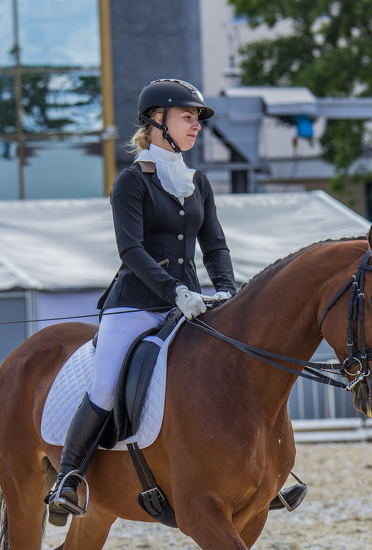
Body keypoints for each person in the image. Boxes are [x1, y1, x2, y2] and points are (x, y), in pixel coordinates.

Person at [47, 78, 305, 524]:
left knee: (231, 370)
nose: (196, 127)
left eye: (198, 120)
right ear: (156, 120)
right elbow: (131, 250)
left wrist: (227, 290)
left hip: (187, 304)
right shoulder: (131, 182)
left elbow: (216, 246)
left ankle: (262, 475)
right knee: (106, 383)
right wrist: (176, 290)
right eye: (188, 117)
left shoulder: (196, 182)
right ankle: (69, 478)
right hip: (135, 304)